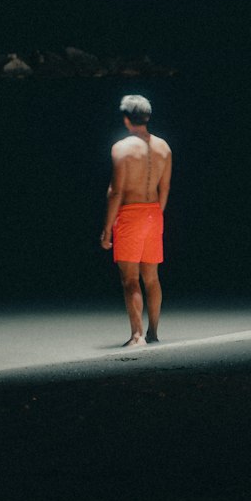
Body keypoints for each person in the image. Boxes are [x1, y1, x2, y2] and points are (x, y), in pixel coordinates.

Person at [100, 93, 172, 347]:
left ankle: (137, 335)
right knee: (152, 277)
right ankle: (153, 332)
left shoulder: (121, 148)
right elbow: (164, 189)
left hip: (130, 214)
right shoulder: (164, 147)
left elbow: (116, 191)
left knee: (130, 278)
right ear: (147, 117)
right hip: (154, 213)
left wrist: (107, 229)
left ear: (126, 119)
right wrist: (156, 215)